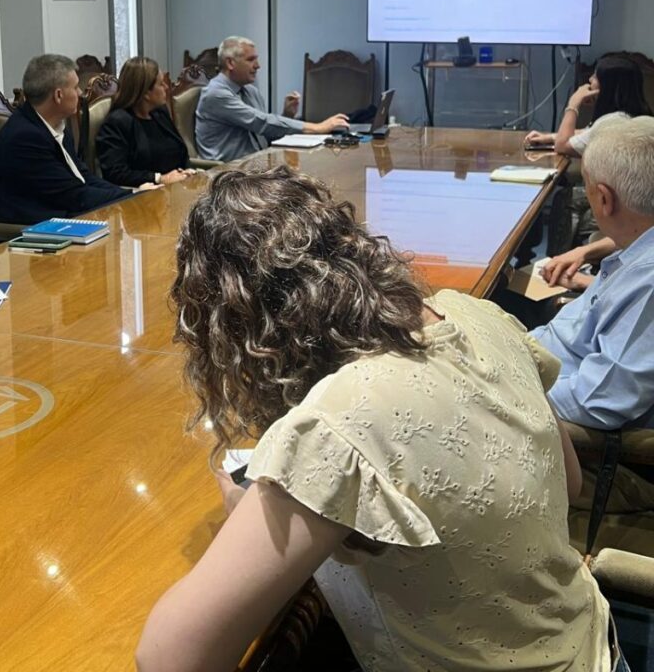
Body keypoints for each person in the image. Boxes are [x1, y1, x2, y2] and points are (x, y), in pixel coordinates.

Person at [136, 166, 614, 672]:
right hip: (595, 643)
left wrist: (248, 512)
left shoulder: (337, 426)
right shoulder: (476, 314)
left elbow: (170, 658)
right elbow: (571, 482)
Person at [531, 117, 654, 430]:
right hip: (536, 359)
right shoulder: (636, 245)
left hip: (541, 400)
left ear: (604, 198)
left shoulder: (648, 284)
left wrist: (506, 394)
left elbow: (597, 400)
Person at [0, 54, 135, 225]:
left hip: (61, 216)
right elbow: (74, 196)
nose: (81, 93)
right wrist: (131, 195)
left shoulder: (55, 125)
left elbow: (83, 177)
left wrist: (129, 194)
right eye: (76, 87)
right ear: (58, 95)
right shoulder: (25, 138)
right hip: (26, 230)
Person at [195, 36, 349, 162]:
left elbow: (265, 133)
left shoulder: (250, 90)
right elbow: (261, 122)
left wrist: (287, 115)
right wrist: (318, 128)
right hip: (227, 173)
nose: (258, 65)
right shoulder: (216, 94)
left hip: (257, 164)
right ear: (230, 63)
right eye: (250, 59)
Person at [525, 54, 652, 157]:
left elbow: (562, 146)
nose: (590, 79)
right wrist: (550, 137)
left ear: (608, 87)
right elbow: (589, 133)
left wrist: (573, 105)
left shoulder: (611, 125)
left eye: (596, 77)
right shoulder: (627, 117)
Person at [96, 57, 196, 187]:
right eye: (161, 84)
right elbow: (115, 173)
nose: (167, 87)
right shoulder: (117, 122)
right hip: (144, 193)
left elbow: (180, 151)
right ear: (145, 93)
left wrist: (186, 170)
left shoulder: (160, 113)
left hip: (176, 187)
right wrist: (159, 178)